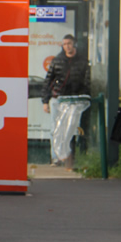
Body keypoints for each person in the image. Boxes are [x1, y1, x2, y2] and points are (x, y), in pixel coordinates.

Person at [42, 34, 90, 163]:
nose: (67, 47)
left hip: (74, 99)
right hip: (58, 98)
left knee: (71, 128)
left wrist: (84, 96)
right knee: (55, 128)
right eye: (64, 44)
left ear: (74, 44)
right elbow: (48, 81)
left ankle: (68, 156)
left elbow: (86, 81)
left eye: (69, 43)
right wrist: (45, 101)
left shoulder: (82, 61)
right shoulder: (57, 61)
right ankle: (56, 157)